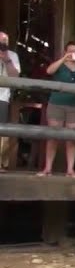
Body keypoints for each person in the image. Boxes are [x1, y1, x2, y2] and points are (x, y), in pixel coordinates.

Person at [39, 44, 75, 177]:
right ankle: (48, 168)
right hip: (56, 103)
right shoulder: (60, 65)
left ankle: (70, 170)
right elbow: (49, 71)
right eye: (70, 51)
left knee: (72, 138)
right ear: (65, 52)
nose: (73, 53)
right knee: (53, 136)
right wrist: (63, 59)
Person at [0, 32, 19, 173]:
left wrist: (6, 59)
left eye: (4, 41)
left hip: (2, 97)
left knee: (2, 132)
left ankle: (1, 163)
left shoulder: (12, 55)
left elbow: (15, 77)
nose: (2, 43)